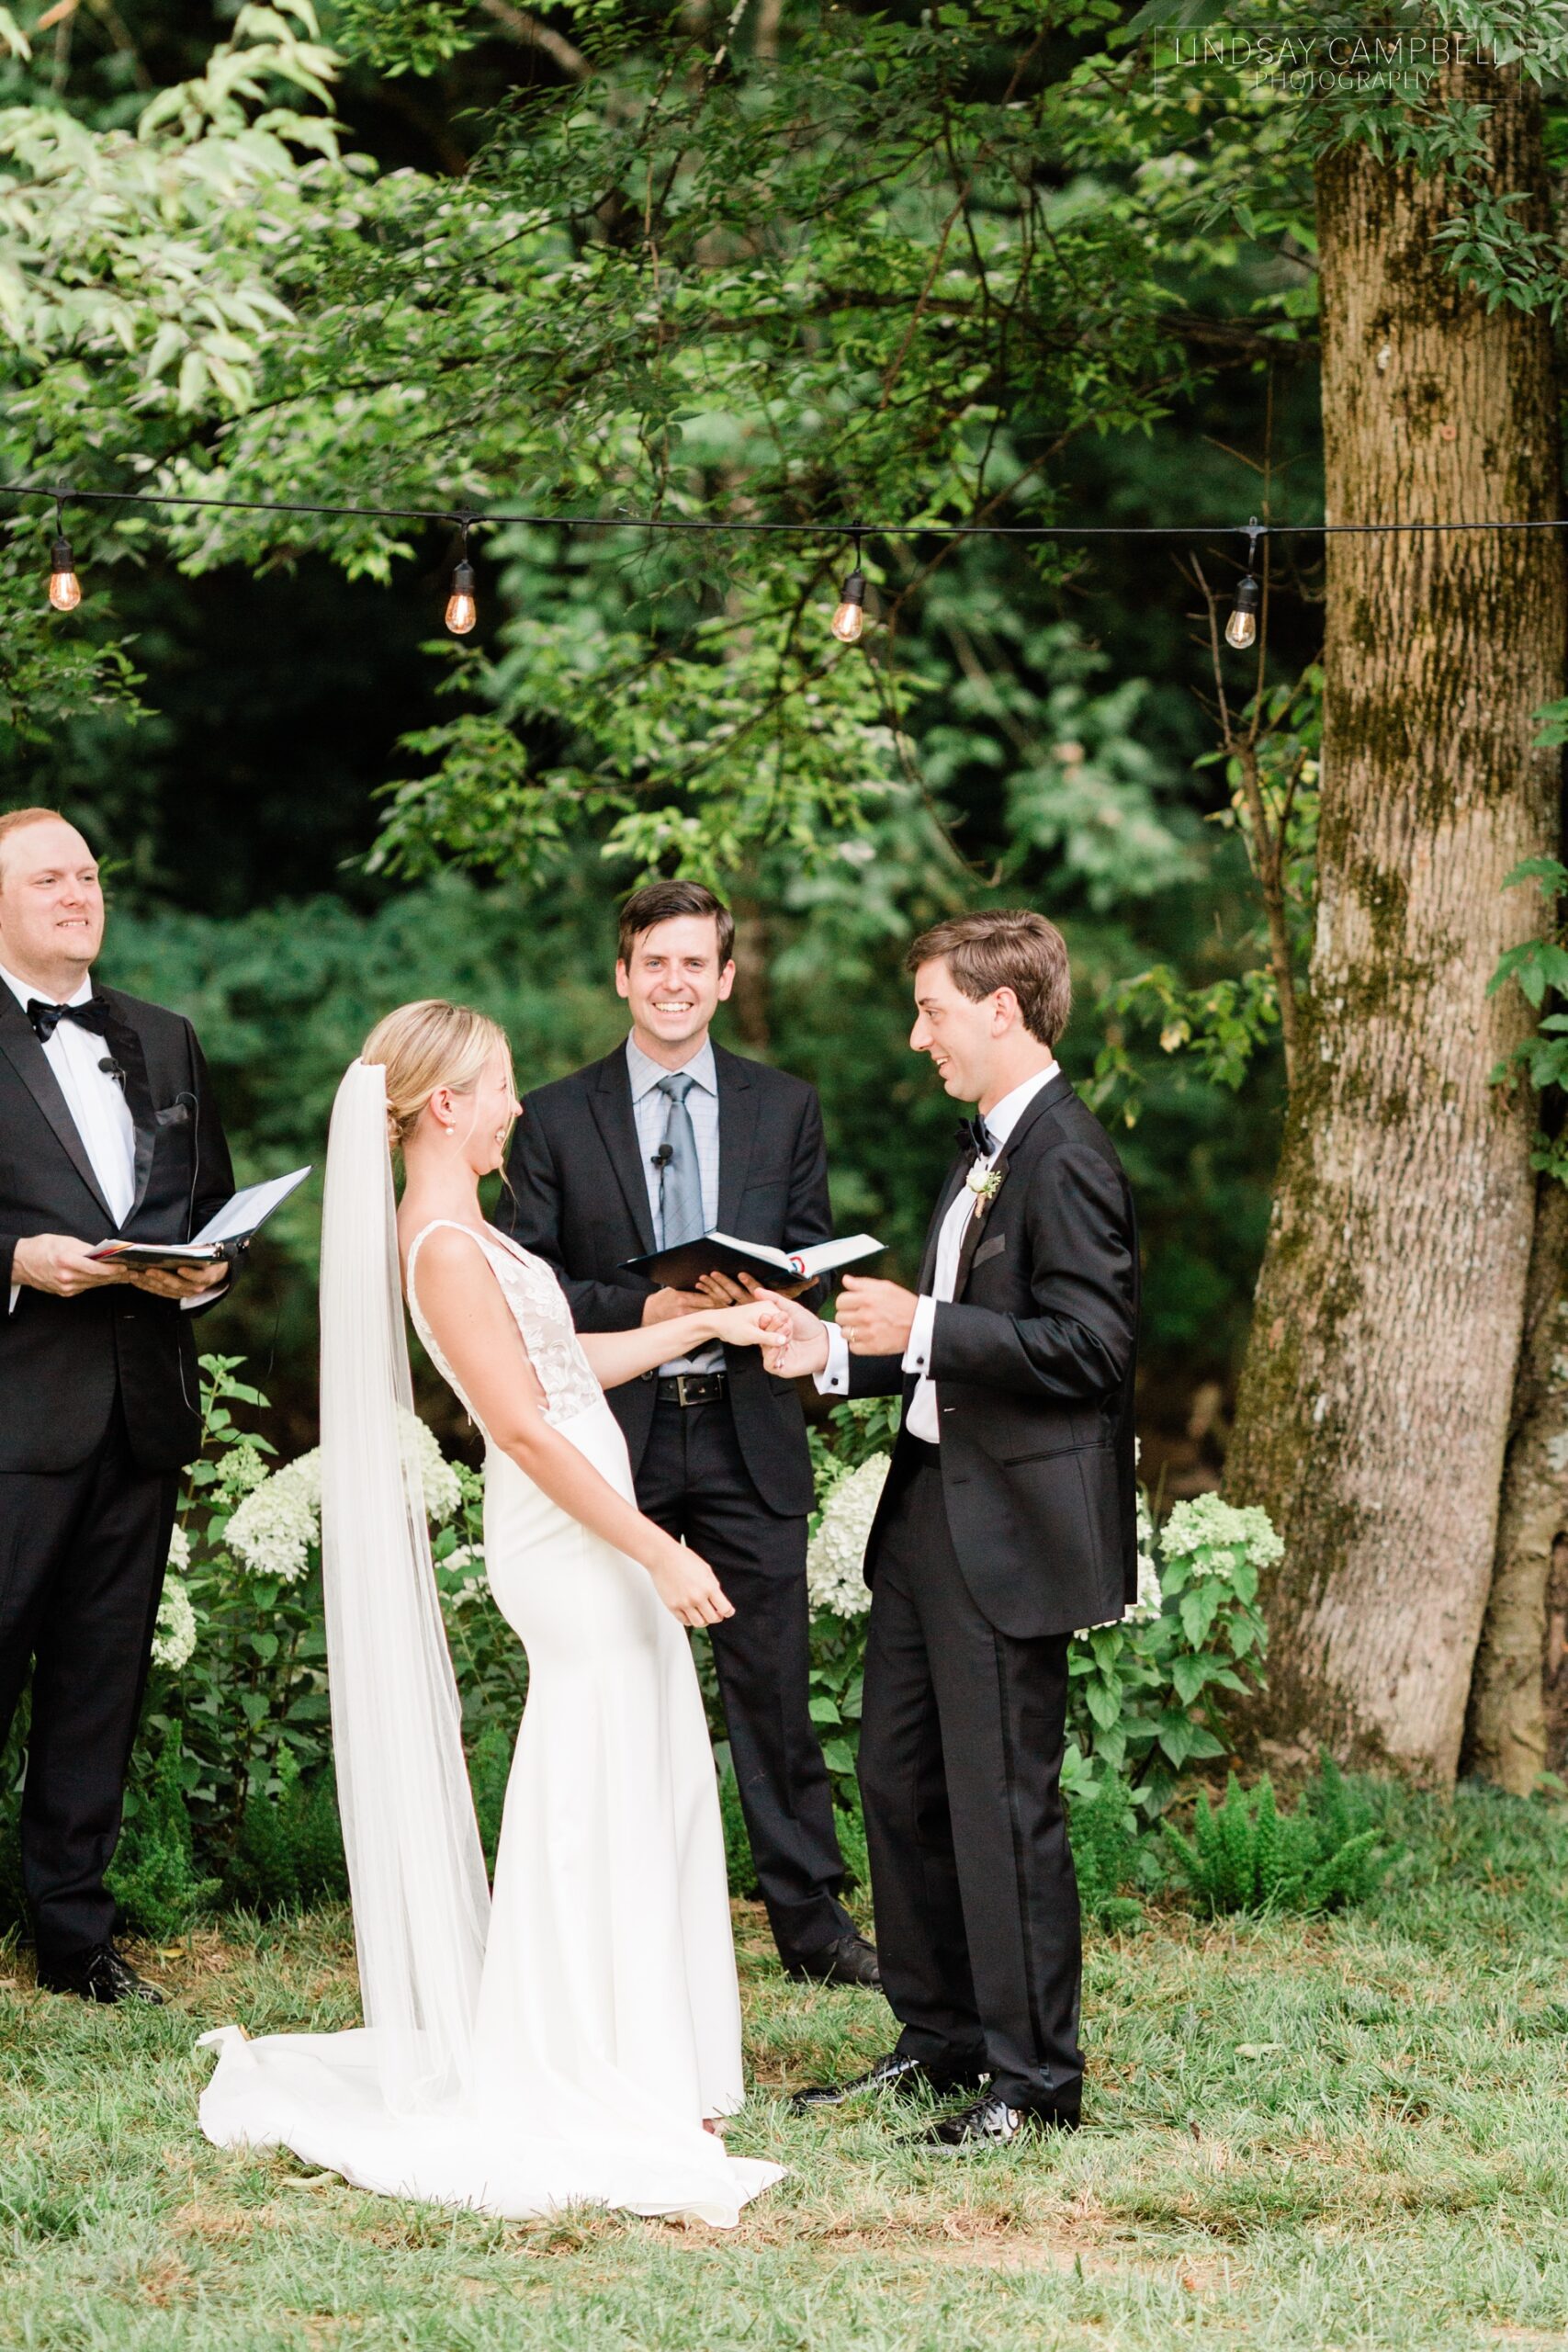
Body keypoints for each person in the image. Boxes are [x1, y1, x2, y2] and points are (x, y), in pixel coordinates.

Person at [199, 1001, 787, 2226]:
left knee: (646, 1776)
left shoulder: (474, 1233)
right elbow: (517, 1427)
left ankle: (648, 2055)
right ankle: (578, 2057)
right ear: (446, 1104)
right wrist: (650, 1545)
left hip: (594, 1528)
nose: (518, 1105)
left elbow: (565, 1368)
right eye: (501, 1086)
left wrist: (703, 1324)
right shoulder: (443, 1247)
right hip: (566, 1544)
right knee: (591, 1786)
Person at [760, 910, 1139, 2148]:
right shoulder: (979, 1149)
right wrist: (828, 1351)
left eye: (929, 1007)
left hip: (1006, 1526)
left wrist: (916, 1327)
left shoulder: (1065, 1156)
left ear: (1000, 1008)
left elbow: (1089, 1351)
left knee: (997, 1799)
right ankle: (939, 2040)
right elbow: (946, 1354)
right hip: (928, 1508)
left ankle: (1034, 2082)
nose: (914, 1032)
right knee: (898, 1781)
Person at [500, 881, 877, 1988]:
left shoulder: (784, 1105)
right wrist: (648, 1310)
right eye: (651, 962)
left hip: (746, 1429)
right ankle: (618, 1926)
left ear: (724, 978)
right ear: (623, 975)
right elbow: (529, 1284)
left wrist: (772, 1291)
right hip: (616, 1436)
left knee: (772, 1688)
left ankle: (811, 1928)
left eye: (693, 964)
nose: (672, 982)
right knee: (611, 1674)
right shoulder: (557, 1117)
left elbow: (811, 1250)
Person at [0, 807, 235, 2006]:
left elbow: (212, 1204)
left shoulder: (165, 1038)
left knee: (100, 1688)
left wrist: (207, 1271)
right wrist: (15, 1262)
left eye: (86, 874)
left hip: (139, 1419)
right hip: (12, 1420)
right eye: (48, 877)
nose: (76, 892)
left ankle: (75, 1942)